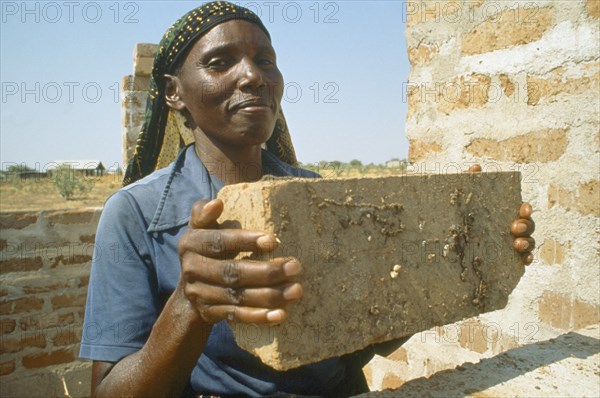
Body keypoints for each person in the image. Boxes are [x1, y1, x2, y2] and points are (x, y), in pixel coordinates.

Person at [80, 2, 535, 397]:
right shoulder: (135, 214)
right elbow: (109, 391)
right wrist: (188, 306)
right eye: (220, 62)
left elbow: (355, 344)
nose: (253, 76)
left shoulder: (313, 194)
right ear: (173, 92)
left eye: (265, 61)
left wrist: (448, 258)